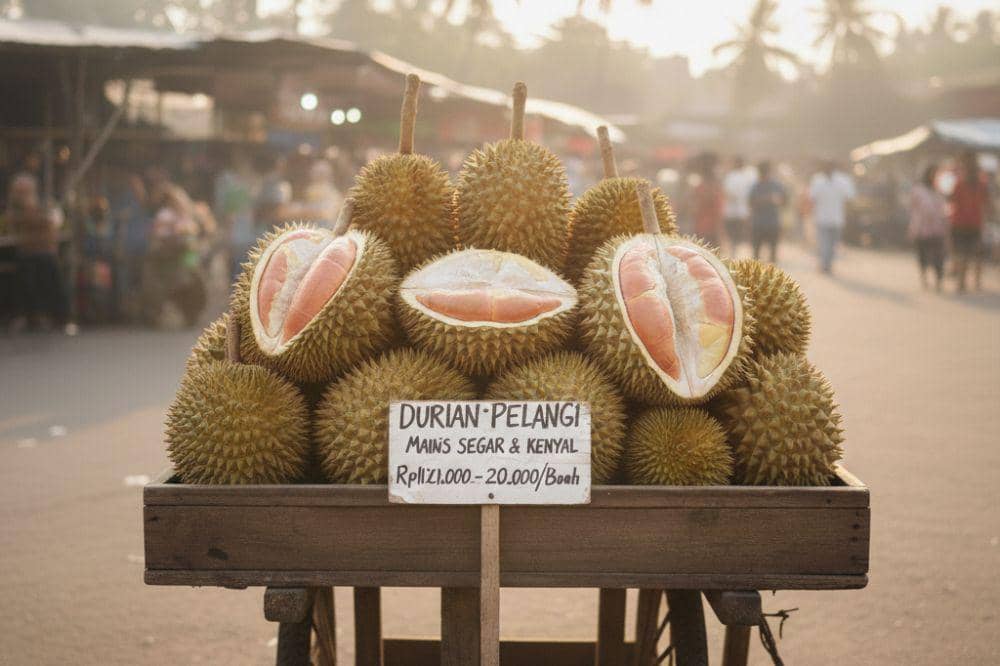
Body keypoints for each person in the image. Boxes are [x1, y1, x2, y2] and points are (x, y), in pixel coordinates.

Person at [5, 172, 67, 332]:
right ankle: (23, 315)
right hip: (25, 252)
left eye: (23, 191)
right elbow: (13, 224)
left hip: (45, 252)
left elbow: (53, 222)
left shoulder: (46, 204)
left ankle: (48, 315)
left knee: (47, 268)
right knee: (23, 271)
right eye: (18, 192)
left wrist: (32, 214)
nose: (20, 195)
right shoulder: (13, 208)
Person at [949, 151, 992, 293]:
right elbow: (988, 205)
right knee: (976, 253)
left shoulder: (959, 183)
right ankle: (976, 282)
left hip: (959, 222)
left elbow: (952, 201)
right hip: (975, 222)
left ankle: (962, 282)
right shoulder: (982, 184)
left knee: (961, 253)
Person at [213, 149, 257, 283]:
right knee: (236, 271)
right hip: (235, 233)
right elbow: (222, 209)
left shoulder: (252, 179)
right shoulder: (226, 179)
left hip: (248, 234)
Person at [809, 161, 856, 274]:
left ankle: (826, 264)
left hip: (836, 218)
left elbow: (850, 197)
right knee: (824, 243)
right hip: (823, 217)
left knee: (832, 243)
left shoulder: (842, 180)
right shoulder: (818, 180)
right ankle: (825, 265)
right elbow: (812, 197)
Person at [907, 164, 948, 291]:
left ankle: (939, 280)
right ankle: (924, 277)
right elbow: (913, 208)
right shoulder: (918, 190)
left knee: (939, 256)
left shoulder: (940, 190)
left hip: (938, 228)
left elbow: (944, 208)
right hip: (921, 228)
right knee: (923, 254)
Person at [748, 161, 787, 263]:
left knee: (772, 253)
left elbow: (784, 201)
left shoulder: (777, 185)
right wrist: (768, 199)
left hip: (771, 223)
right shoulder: (755, 186)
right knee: (756, 253)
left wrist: (775, 200)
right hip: (759, 223)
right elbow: (751, 202)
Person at [722, 156, 755, 255]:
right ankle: (734, 250)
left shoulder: (747, 176)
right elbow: (726, 191)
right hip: (734, 210)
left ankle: (740, 251)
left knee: (741, 232)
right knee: (734, 232)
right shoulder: (731, 176)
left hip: (742, 210)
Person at [691, 155, 724, 248]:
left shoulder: (700, 188)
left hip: (703, 227)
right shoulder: (715, 188)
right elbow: (719, 211)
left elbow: (694, 208)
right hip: (710, 228)